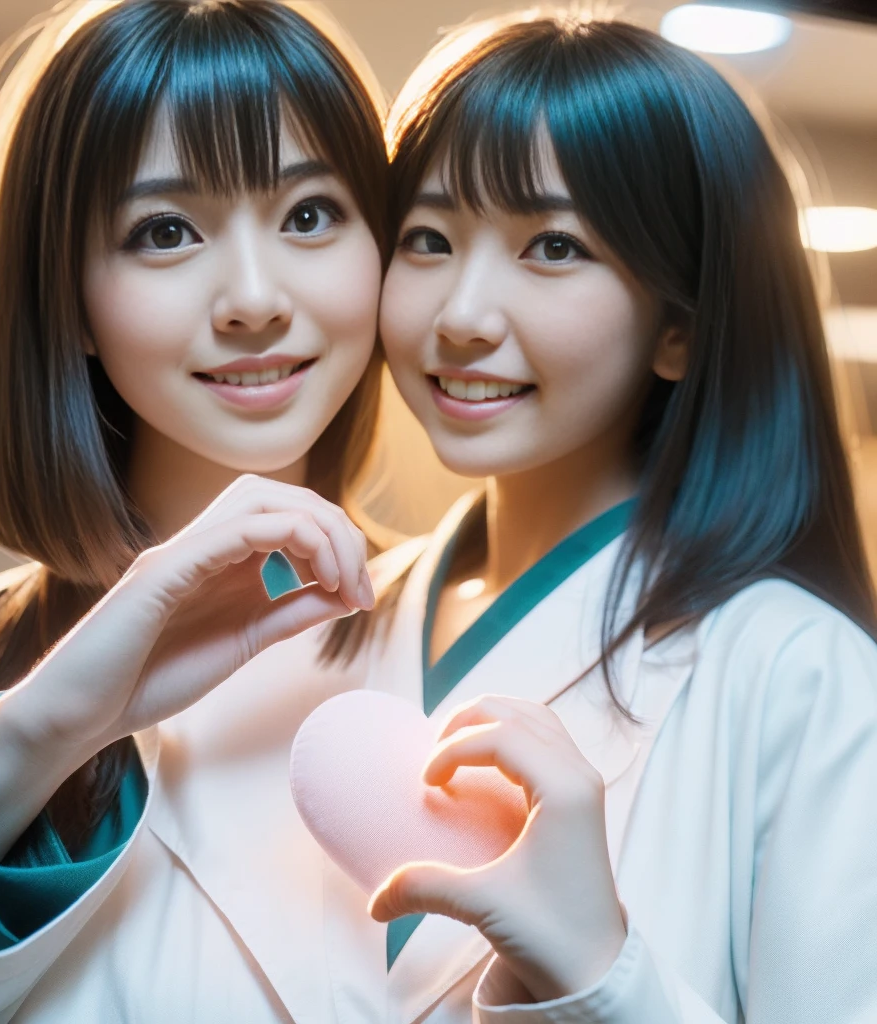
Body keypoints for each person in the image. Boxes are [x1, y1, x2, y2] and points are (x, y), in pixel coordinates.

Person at [0, 1, 390, 1019]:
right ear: (73, 300)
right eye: (165, 231)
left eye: (310, 213)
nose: (252, 297)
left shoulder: (474, 637)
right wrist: (39, 734)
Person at [345, 10, 877, 1021]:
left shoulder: (798, 674)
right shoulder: (325, 617)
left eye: (551, 245)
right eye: (426, 237)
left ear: (678, 327)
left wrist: (598, 970)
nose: (461, 314)